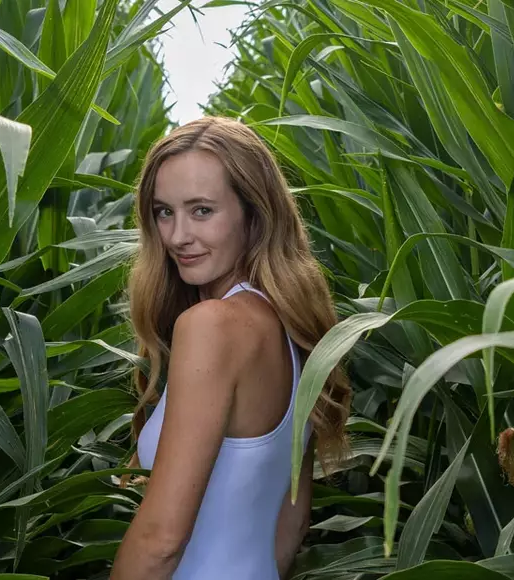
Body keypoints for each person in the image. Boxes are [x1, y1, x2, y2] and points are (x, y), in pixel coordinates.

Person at [110, 117, 352, 579]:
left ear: (252, 214)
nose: (178, 236)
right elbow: (290, 527)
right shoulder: (293, 331)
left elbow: (162, 541)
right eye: (165, 212)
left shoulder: (212, 327)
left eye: (202, 210)